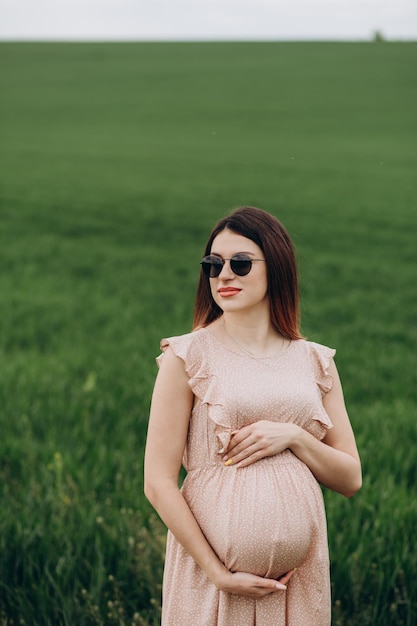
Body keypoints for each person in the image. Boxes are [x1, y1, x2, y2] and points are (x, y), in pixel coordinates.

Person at [144, 205, 362, 626]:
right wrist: (217, 573)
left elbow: (350, 479)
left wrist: (295, 437)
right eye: (213, 264)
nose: (224, 275)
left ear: (276, 267)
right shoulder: (187, 357)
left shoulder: (315, 361)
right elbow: (157, 482)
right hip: (211, 580)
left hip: (299, 583)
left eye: (240, 263)